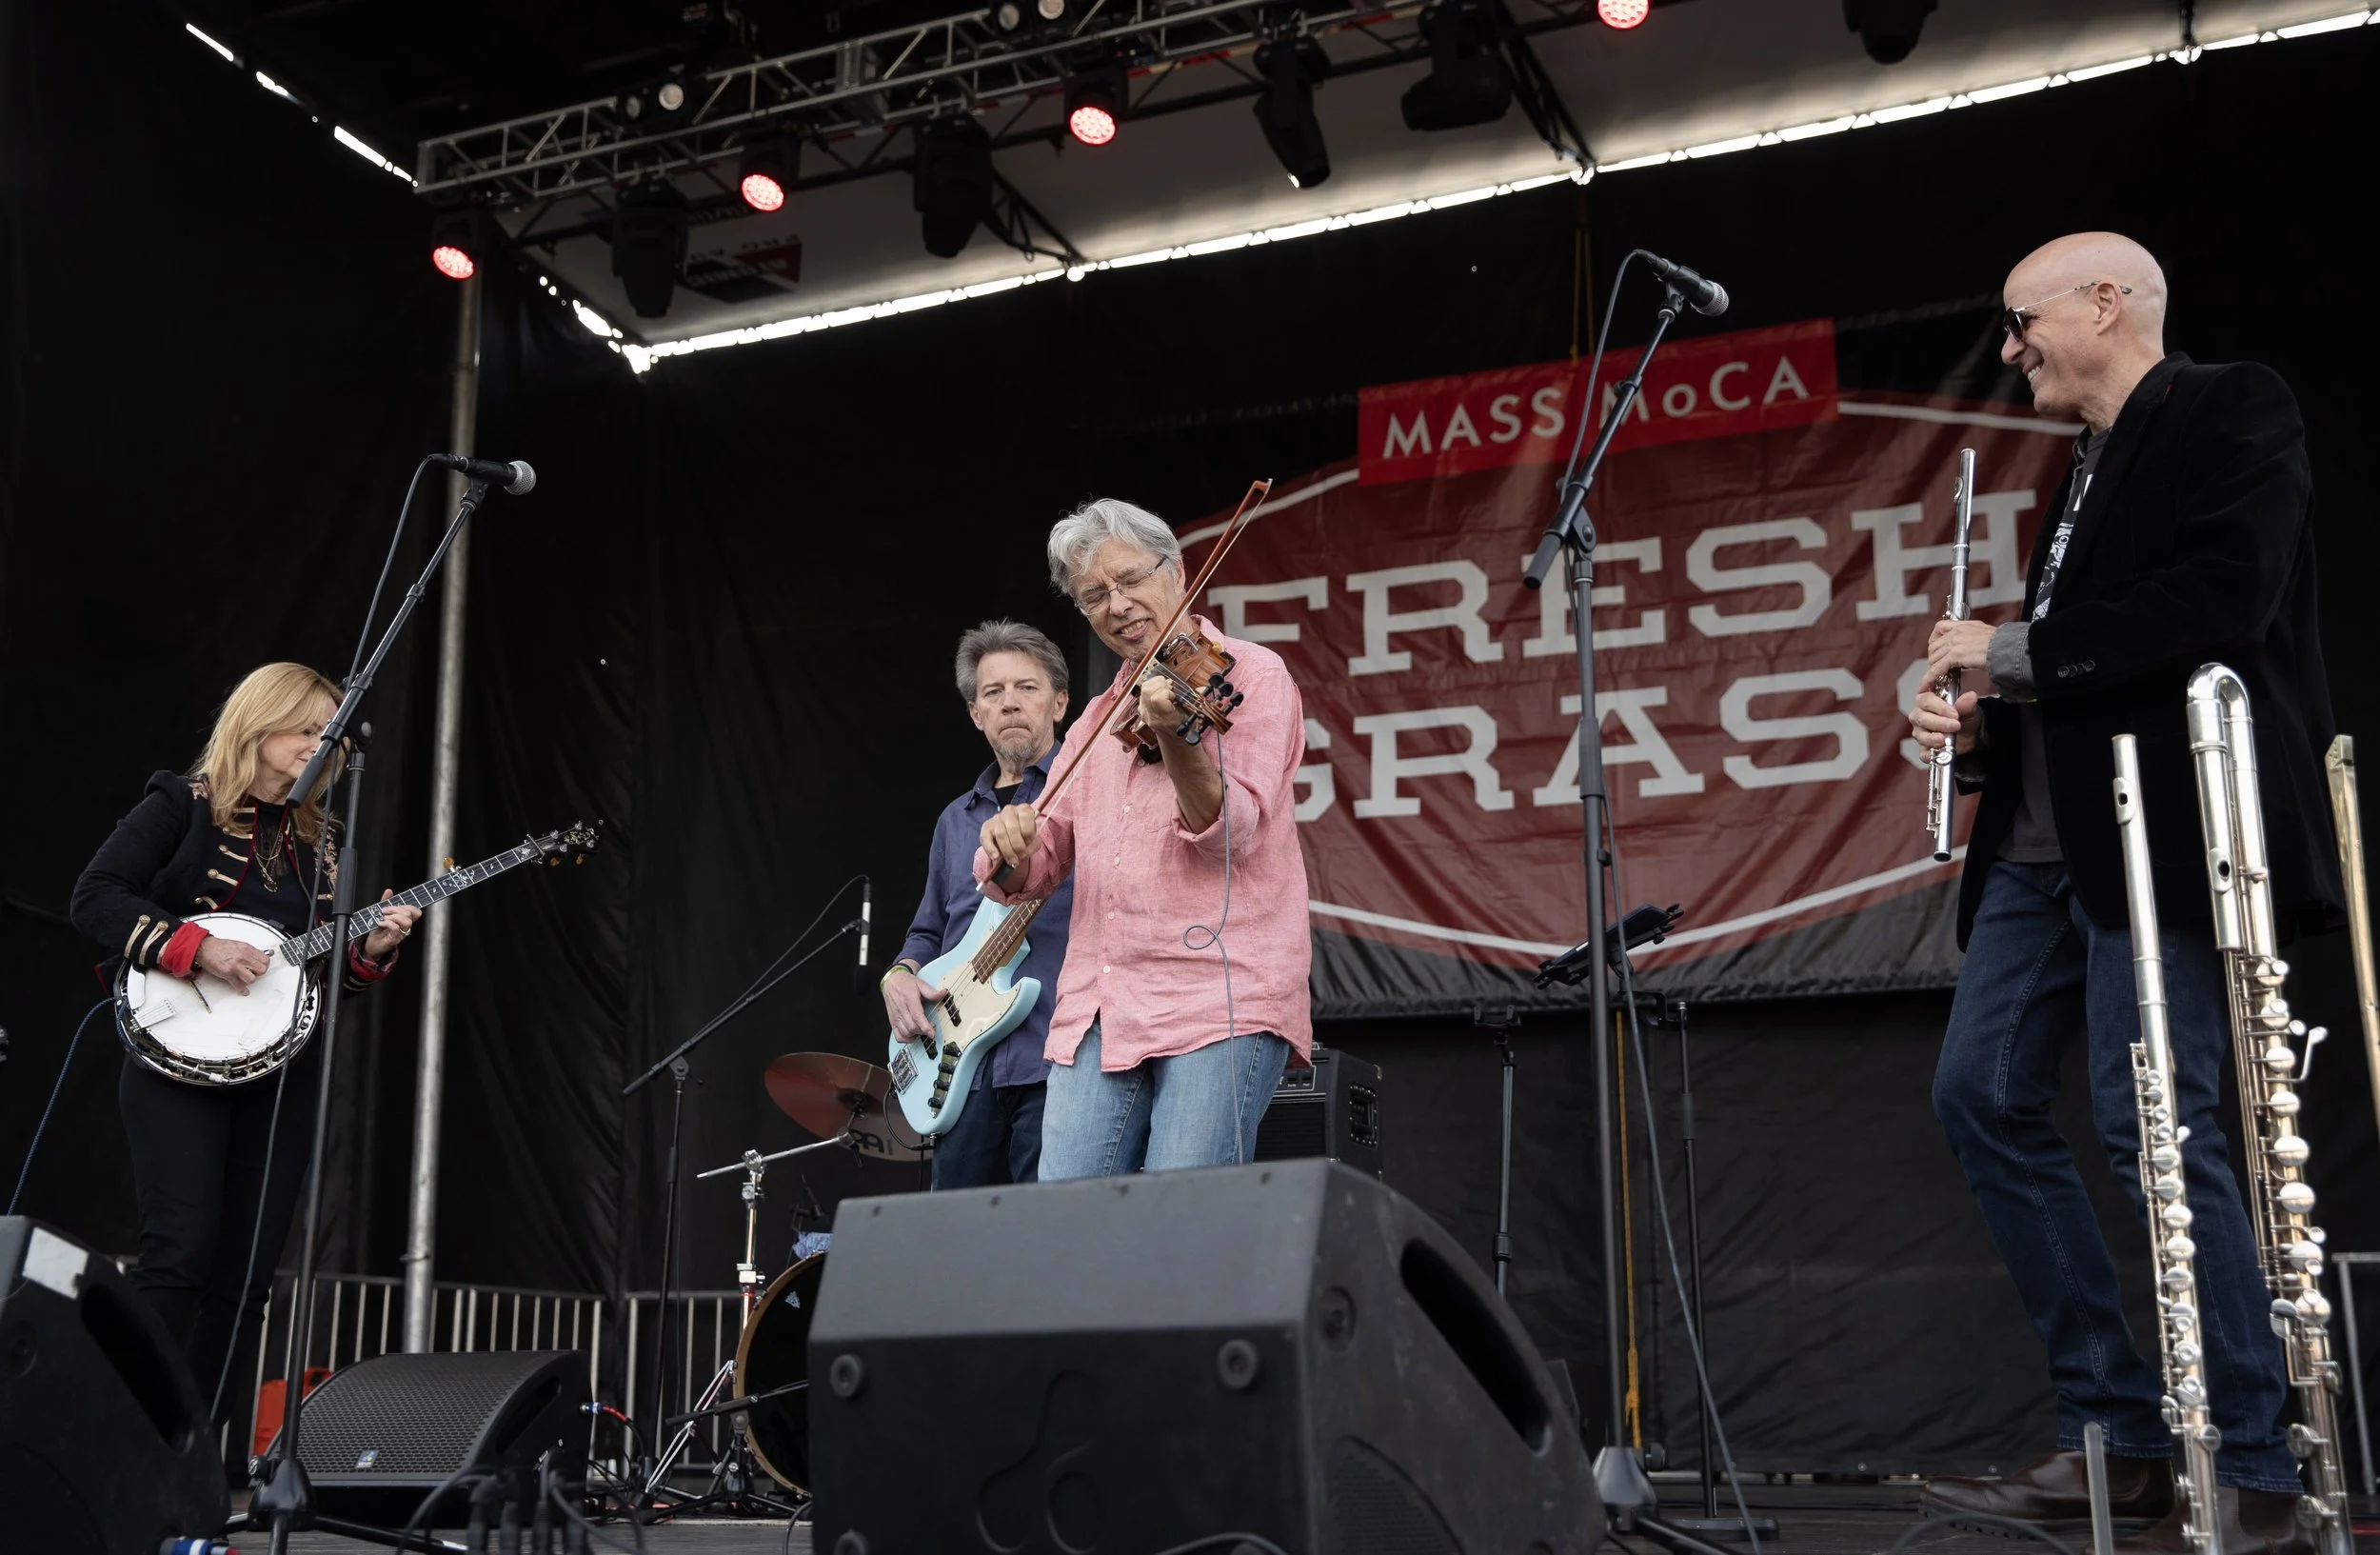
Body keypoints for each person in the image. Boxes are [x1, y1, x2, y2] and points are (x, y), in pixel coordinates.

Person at [1910, 233, 2338, 1555]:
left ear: (2105, 302)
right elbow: (2075, 686)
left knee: (2155, 1122)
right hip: (2045, 849)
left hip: (2165, 837)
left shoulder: (2231, 408)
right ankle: (2119, 1431)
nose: (2010, 349)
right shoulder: (2080, 470)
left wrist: (2012, 651)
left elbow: (2221, 598)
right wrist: (1979, 724)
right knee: (1979, 1094)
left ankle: (2253, 1457)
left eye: (2020, 320)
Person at [71, 662, 420, 1438]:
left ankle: (207, 1459)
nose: (320, 745)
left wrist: (371, 950)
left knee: (248, 1275)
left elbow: (317, 981)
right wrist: (197, 948)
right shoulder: (182, 804)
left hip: (282, 1071)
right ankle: (131, 1444)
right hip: (177, 1064)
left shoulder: (323, 842)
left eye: (329, 734)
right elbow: (95, 895)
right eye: (307, 728)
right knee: (178, 1255)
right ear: (259, 725)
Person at [977, 497, 1311, 1178]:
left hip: (1220, 998)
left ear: (1177, 570)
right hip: (1100, 1005)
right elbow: (1036, 868)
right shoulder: (1094, 721)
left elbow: (1230, 835)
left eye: (1130, 579)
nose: (1118, 605)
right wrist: (1009, 849)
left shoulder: (1251, 675)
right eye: (1095, 595)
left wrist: (1176, 736)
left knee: (1178, 1222)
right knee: (1068, 1223)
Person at [882, 620, 1076, 1187]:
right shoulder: (955, 819)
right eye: (993, 692)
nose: (1010, 703)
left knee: (1046, 1230)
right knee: (958, 1232)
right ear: (976, 714)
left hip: (1055, 1058)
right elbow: (928, 931)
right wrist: (898, 976)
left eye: (1027, 687)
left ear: (1060, 703)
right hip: (960, 1065)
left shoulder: (1085, 794)